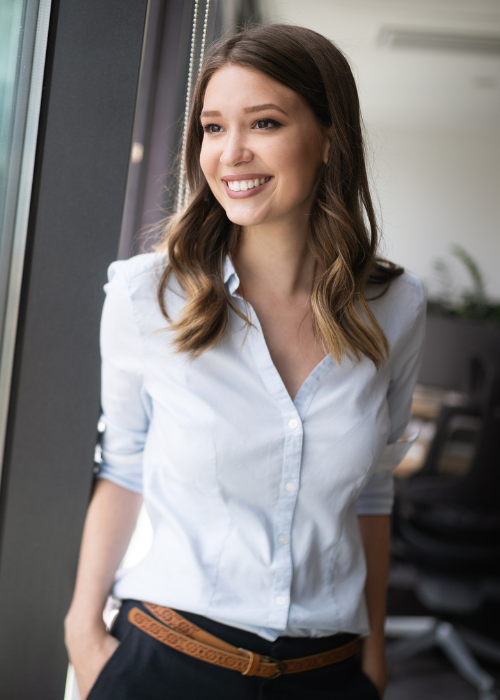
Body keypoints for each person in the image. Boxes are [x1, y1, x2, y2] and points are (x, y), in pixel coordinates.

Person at [65, 23, 426, 700]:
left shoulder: (397, 306)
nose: (231, 153)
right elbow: (125, 465)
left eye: (263, 123)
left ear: (328, 139)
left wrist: (373, 661)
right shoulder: (149, 295)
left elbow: (373, 493)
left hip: (328, 677)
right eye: (211, 127)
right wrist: (84, 635)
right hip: (163, 664)